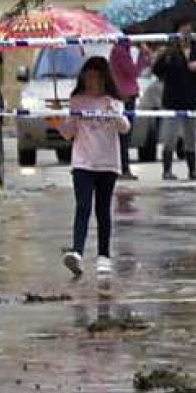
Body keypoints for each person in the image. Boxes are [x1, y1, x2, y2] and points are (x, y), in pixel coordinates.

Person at [59, 57, 129, 278]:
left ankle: (103, 256)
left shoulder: (114, 101)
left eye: (95, 77)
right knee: (83, 206)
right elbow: (68, 133)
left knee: (103, 210)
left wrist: (113, 112)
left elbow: (125, 128)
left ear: (103, 78)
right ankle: (77, 252)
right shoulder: (77, 101)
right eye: (87, 76)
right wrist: (62, 120)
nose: (90, 81)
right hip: (83, 162)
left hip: (107, 163)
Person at [151, 19, 196, 181]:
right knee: (170, 136)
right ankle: (167, 170)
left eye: (189, 31)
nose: (186, 34)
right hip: (173, 100)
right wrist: (161, 58)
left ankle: (192, 170)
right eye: (183, 30)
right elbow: (158, 72)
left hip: (193, 99)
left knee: (191, 136)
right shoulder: (170, 51)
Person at [108, 37, 149, 180]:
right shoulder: (120, 51)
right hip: (125, 94)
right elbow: (133, 71)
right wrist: (143, 57)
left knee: (124, 134)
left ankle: (122, 167)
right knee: (124, 133)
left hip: (125, 92)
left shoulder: (120, 50)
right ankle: (123, 168)